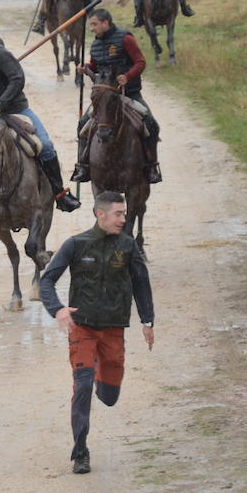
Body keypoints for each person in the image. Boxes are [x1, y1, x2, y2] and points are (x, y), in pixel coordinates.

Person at [39, 190, 154, 474]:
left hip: (114, 330)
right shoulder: (76, 244)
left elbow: (141, 282)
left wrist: (147, 320)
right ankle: (80, 452)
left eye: (125, 214)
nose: (123, 219)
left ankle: (102, 371)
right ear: (99, 214)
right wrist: (58, 309)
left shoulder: (128, 246)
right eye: (118, 214)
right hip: (83, 328)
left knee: (110, 397)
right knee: (83, 384)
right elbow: (47, 282)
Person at [0, 16, 81, 224]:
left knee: (45, 146)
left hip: (16, 110)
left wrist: (1, 103)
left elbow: (17, 78)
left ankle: (61, 195)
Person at [70, 8, 163, 184]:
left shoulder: (125, 39)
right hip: (105, 97)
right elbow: (96, 65)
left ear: (106, 23)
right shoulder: (96, 44)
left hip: (129, 94)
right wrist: (86, 68)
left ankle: (151, 166)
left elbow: (140, 62)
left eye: (95, 24)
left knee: (151, 124)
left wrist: (127, 77)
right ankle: (83, 166)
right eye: (91, 24)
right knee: (83, 125)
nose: (92, 28)